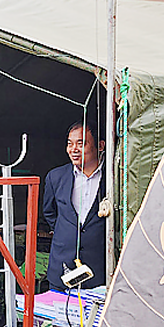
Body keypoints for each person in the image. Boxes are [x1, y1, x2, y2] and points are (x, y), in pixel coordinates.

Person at [43, 120, 107, 290]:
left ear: (100, 146)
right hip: (62, 266)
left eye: (81, 143)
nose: (73, 149)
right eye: (70, 144)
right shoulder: (55, 177)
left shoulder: (113, 177)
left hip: (99, 268)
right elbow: (49, 212)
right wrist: (67, 233)